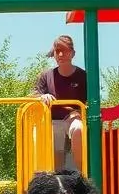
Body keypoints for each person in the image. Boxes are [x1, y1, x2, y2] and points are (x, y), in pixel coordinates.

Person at [34, 35, 87, 172]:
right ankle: (57, 178)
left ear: (73, 53)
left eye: (65, 50)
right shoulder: (46, 76)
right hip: (52, 121)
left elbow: (89, 101)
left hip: (73, 118)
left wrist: (80, 111)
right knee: (54, 141)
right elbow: (34, 95)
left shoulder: (82, 76)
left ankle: (83, 173)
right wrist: (42, 96)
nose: (61, 54)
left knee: (78, 128)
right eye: (58, 51)